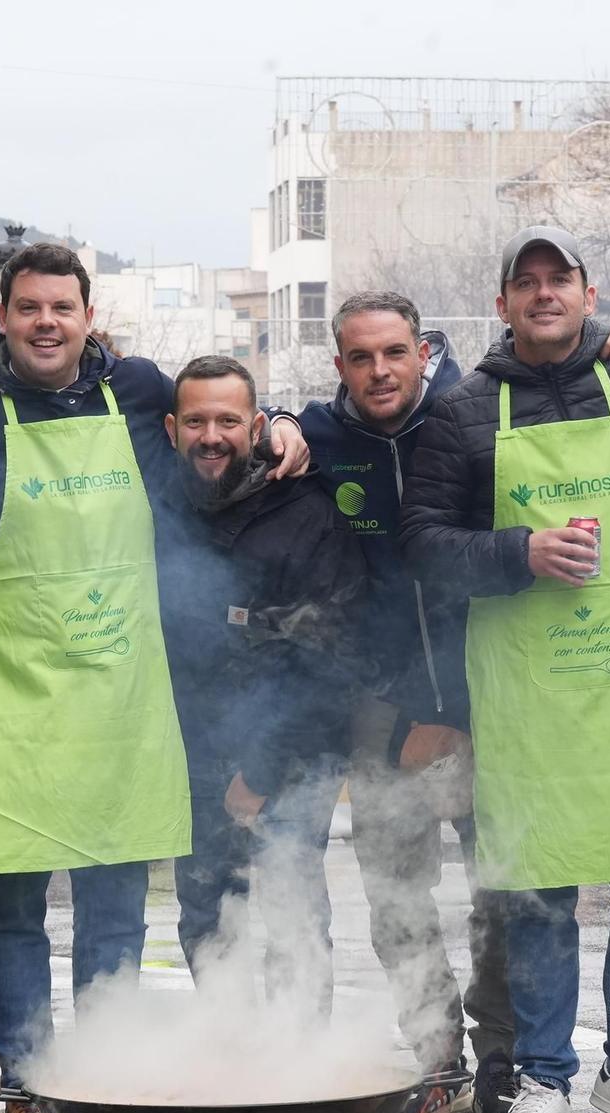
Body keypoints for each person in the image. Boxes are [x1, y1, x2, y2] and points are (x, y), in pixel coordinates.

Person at [0, 242, 310, 1113]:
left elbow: (219, 419)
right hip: (20, 697)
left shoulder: (137, 391)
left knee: (115, 900)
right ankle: (25, 1087)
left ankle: (104, 1077)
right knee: (12, 905)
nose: (46, 322)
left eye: (63, 306)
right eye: (28, 308)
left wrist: (288, 419)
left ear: (89, 316)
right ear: (3, 317)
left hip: (126, 695)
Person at [401, 225, 610, 1113]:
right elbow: (422, 545)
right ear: (503, 303)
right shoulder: (464, 413)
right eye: (526, 282)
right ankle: (544, 1078)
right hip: (528, 690)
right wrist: (520, 551)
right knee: (539, 890)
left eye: (561, 280)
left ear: (589, 296)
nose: (544, 294)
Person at [294, 291, 504, 1113]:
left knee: (503, 892)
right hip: (379, 721)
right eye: (359, 357)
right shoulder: (317, 440)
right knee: (397, 902)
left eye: (393, 353)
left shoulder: (469, 419)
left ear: (423, 351)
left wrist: (447, 705)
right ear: (339, 364)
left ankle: (504, 1060)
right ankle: (436, 1059)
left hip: (484, 708)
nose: (379, 371)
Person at [161, 354, 369, 1034]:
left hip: (292, 757)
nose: (211, 435)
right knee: (205, 912)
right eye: (196, 421)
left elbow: (333, 658)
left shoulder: (305, 510)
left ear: (256, 426)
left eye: (227, 420)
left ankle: (298, 1074)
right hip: (192, 753)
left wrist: (261, 773)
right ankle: (231, 1064)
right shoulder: (161, 508)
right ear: (172, 428)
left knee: (291, 911)